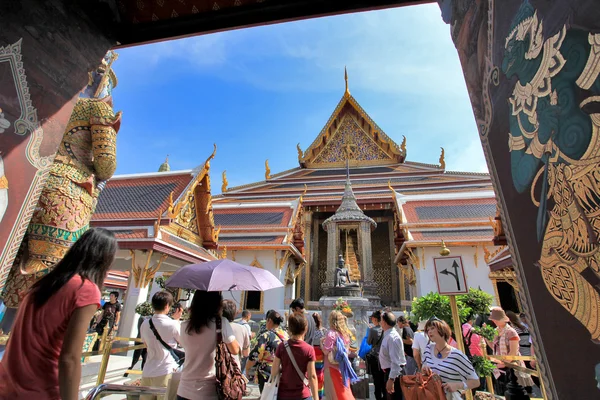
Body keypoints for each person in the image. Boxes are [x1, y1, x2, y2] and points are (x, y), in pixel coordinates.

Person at [0, 228, 117, 400]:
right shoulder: (86, 290)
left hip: (7, 386)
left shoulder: (43, 284)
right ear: (104, 260)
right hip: (43, 390)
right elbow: (69, 358)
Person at [177, 291, 240, 400]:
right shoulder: (221, 323)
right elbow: (235, 349)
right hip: (208, 390)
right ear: (217, 305)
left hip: (184, 389)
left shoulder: (184, 325)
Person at [422, 318, 479, 400]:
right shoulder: (428, 350)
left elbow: (475, 382)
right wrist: (424, 369)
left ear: (442, 329)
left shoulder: (456, 355)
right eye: (427, 330)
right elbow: (423, 369)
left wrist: (457, 385)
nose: (429, 331)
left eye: (432, 328)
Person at [139, 291, 181, 400]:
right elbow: (183, 342)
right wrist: (176, 320)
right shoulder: (172, 324)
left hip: (148, 370)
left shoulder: (145, 323)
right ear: (167, 305)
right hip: (165, 370)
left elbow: (146, 345)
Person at [272, 313, 319, 400]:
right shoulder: (309, 349)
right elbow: (312, 376)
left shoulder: (281, 347)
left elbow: (274, 371)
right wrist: (316, 398)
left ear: (290, 329)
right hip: (302, 394)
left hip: (283, 394)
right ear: (305, 328)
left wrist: (284, 368)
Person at [490, 307, 532, 393]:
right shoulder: (496, 331)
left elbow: (513, 352)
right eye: (494, 320)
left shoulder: (511, 331)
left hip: (512, 367)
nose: (494, 321)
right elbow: (494, 347)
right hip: (502, 366)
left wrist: (502, 364)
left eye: (496, 319)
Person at [247, 311, 288, 392]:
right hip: (283, 370)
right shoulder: (286, 335)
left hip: (267, 373)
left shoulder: (265, 336)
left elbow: (255, 355)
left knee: (267, 396)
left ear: (269, 320)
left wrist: (247, 368)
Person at [322, 310, 357, 400]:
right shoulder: (346, 334)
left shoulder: (331, 334)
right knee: (344, 392)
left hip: (331, 367)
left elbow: (326, 351)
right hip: (343, 367)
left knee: (333, 394)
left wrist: (321, 343)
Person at [379, 312, 405, 400]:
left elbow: (395, 361)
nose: (380, 322)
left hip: (394, 373)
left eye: (381, 320)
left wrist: (391, 379)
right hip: (389, 372)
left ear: (385, 322)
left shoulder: (393, 338)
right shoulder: (387, 335)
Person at [222, 299, 250, 370]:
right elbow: (246, 353)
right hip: (234, 368)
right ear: (234, 314)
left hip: (216, 367)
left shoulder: (213, 327)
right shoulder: (242, 328)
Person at [366, 311, 385, 400]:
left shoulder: (373, 330)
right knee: (384, 380)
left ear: (375, 319)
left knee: (377, 381)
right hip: (384, 357)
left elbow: (369, 342)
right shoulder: (385, 330)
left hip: (376, 357)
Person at [312, 313, 327, 399]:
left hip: (312, 351)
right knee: (320, 374)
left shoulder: (310, 330)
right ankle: (319, 395)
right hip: (320, 353)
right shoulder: (324, 330)